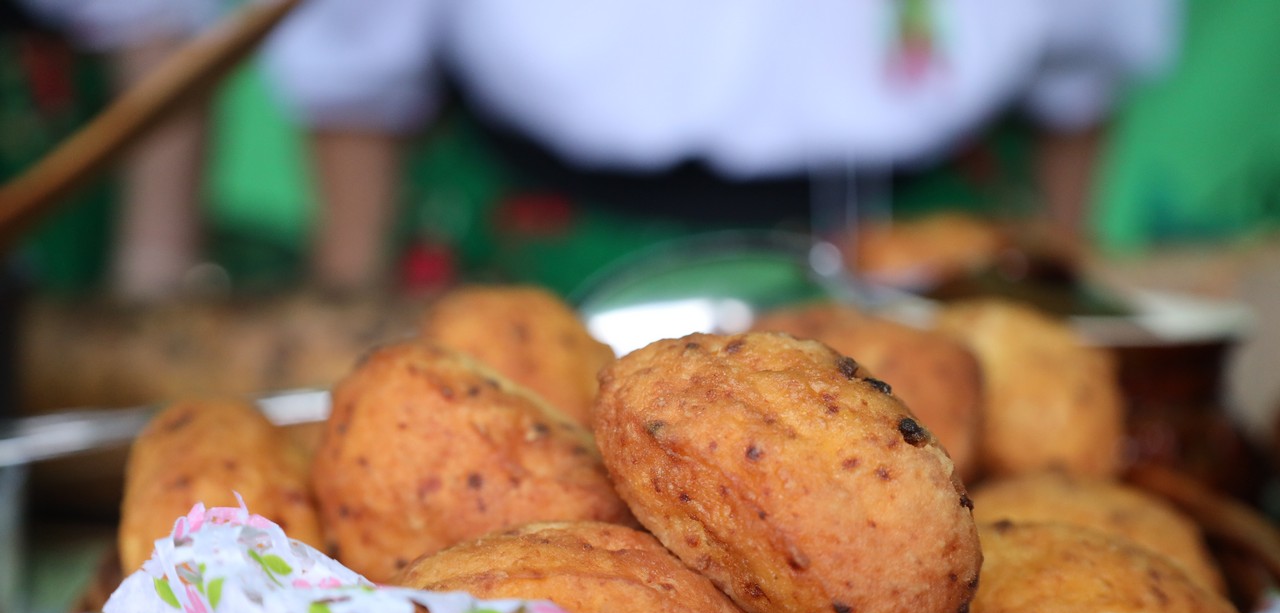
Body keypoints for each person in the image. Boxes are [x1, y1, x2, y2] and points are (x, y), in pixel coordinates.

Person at [13, 0, 1182, 299]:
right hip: (543, 240)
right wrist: (348, 293)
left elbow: (1084, 65)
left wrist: (1060, 278)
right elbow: (357, 70)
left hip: (920, 230)